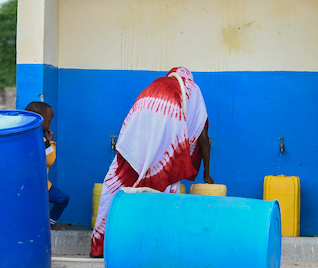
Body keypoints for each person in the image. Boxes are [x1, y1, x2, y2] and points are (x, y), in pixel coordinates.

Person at [90, 67, 213, 257]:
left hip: (140, 116)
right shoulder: (192, 89)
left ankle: (100, 246)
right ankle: (155, 249)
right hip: (169, 116)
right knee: (165, 180)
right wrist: (206, 173)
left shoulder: (158, 82)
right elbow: (203, 138)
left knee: (118, 179)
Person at [25, 101, 70, 230]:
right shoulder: (43, 140)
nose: (50, 124)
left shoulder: (24, 136)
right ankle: (49, 223)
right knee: (63, 198)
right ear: (39, 119)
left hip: (26, 183)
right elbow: (50, 160)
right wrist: (51, 142)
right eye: (49, 121)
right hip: (40, 185)